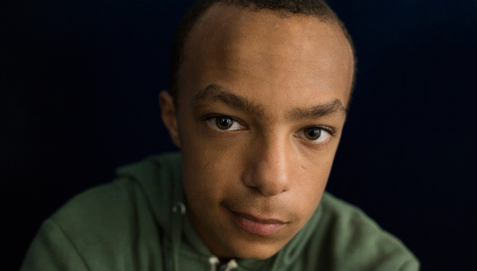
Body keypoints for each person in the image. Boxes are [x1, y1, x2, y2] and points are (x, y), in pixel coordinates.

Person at [21, 0, 419, 270]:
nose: (271, 179)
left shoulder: (380, 265)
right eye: (226, 122)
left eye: (313, 131)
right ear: (173, 118)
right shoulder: (81, 251)